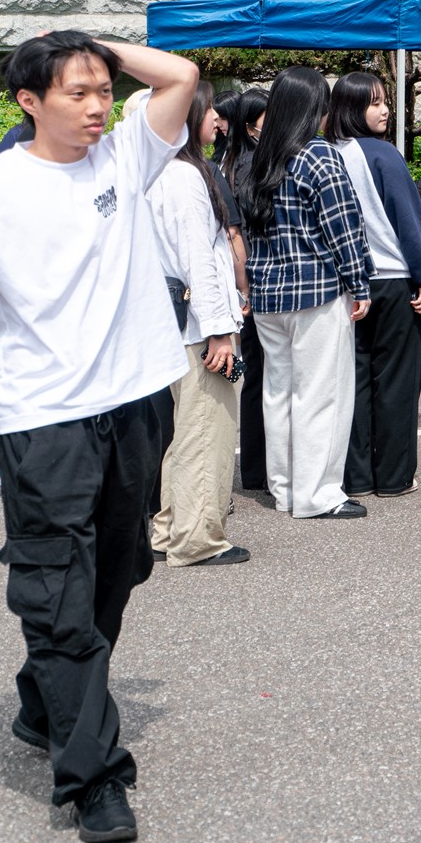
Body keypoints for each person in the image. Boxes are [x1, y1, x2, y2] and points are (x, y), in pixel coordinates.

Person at [0, 30, 198, 843]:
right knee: (58, 593)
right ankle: (91, 774)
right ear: (28, 101)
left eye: (102, 90)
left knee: (119, 570)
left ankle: (42, 701)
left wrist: (92, 45)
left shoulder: (127, 158)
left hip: (137, 404)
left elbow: (181, 75)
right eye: (77, 92)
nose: (98, 106)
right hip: (45, 422)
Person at [239, 67, 373, 520]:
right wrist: (360, 283)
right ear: (315, 107)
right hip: (316, 292)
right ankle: (317, 495)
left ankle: (286, 487)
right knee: (321, 394)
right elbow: (344, 228)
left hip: (267, 296)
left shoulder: (258, 158)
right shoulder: (319, 156)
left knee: (278, 394)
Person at [147, 81, 247, 568]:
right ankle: (197, 540)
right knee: (207, 431)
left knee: (185, 433)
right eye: (208, 111)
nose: (217, 119)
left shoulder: (159, 171)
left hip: (175, 325)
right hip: (198, 329)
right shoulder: (185, 177)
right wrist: (220, 329)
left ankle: (170, 530)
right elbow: (198, 261)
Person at [325, 72, 421, 498]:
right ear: (353, 108)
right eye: (374, 103)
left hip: (344, 286)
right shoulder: (383, 155)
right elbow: (409, 223)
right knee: (395, 382)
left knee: (351, 383)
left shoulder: (324, 153)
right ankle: (393, 477)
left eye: (384, 101)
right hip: (392, 281)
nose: (385, 109)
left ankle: (353, 477)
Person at [218, 87, 269, 488]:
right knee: (265, 377)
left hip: (244, 284)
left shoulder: (227, 162)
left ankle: (253, 468)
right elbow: (241, 234)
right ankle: (260, 467)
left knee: (254, 377)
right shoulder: (251, 164)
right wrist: (246, 287)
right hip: (254, 283)